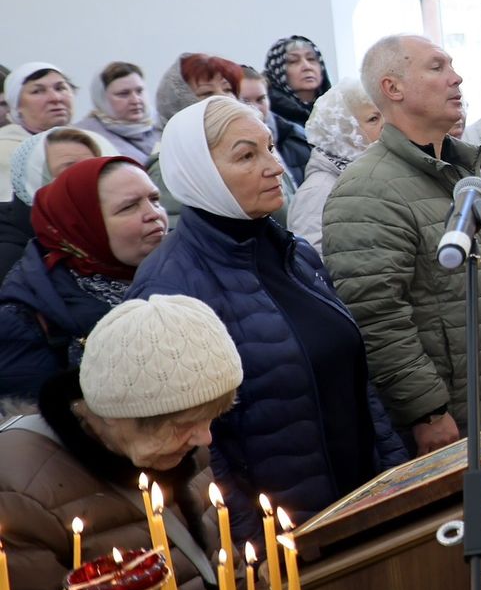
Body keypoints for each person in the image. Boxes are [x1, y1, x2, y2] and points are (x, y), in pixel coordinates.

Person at [131, 98, 408, 518]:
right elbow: (197, 450)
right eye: (246, 155)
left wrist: (393, 474)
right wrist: (254, 544)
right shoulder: (169, 287)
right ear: (197, 172)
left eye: (270, 148)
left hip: (364, 500)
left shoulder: (292, 253)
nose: (275, 166)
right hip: (284, 537)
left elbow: (354, 382)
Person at [324, 35, 481, 455]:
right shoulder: (367, 190)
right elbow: (378, 316)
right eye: (437, 67)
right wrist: (426, 411)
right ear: (393, 88)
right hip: (453, 416)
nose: (457, 78)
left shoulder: (466, 172)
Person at [0, 293, 236, 590]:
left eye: (212, 418)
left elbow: (217, 565)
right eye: (186, 424)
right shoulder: (20, 489)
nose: (205, 438)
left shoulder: (178, 446)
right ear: (115, 414)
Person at [0, 158, 168, 403]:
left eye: (154, 199)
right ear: (80, 226)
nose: (154, 214)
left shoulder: (185, 270)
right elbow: (35, 421)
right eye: (129, 207)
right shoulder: (27, 318)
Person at [0, 128, 111, 278]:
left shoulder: (97, 228)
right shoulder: (12, 256)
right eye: (71, 170)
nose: (87, 178)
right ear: (35, 178)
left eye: (93, 167)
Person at [291, 78, 382, 250]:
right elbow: (313, 259)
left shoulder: (374, 171)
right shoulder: (318, 190)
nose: (386, 124)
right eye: (373, 119)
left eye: (385, 115)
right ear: (344, 129)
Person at [0, 64, 80, 203]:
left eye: (60, 88)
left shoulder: (92, 141)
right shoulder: (6, 152)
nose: (55, 98)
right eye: (38, 91)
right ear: (17, 105)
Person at [76, 61, 160, 162]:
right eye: (123, 94)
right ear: (102, 98)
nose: (136, 100)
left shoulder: (163, 123)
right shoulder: (86, 136)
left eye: (139, 91)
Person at [264, 34, 329, 129]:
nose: (307, 67)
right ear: (277, 71)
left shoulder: (337, 109)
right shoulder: (272, 116)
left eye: (311, 59)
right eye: (293, 61)